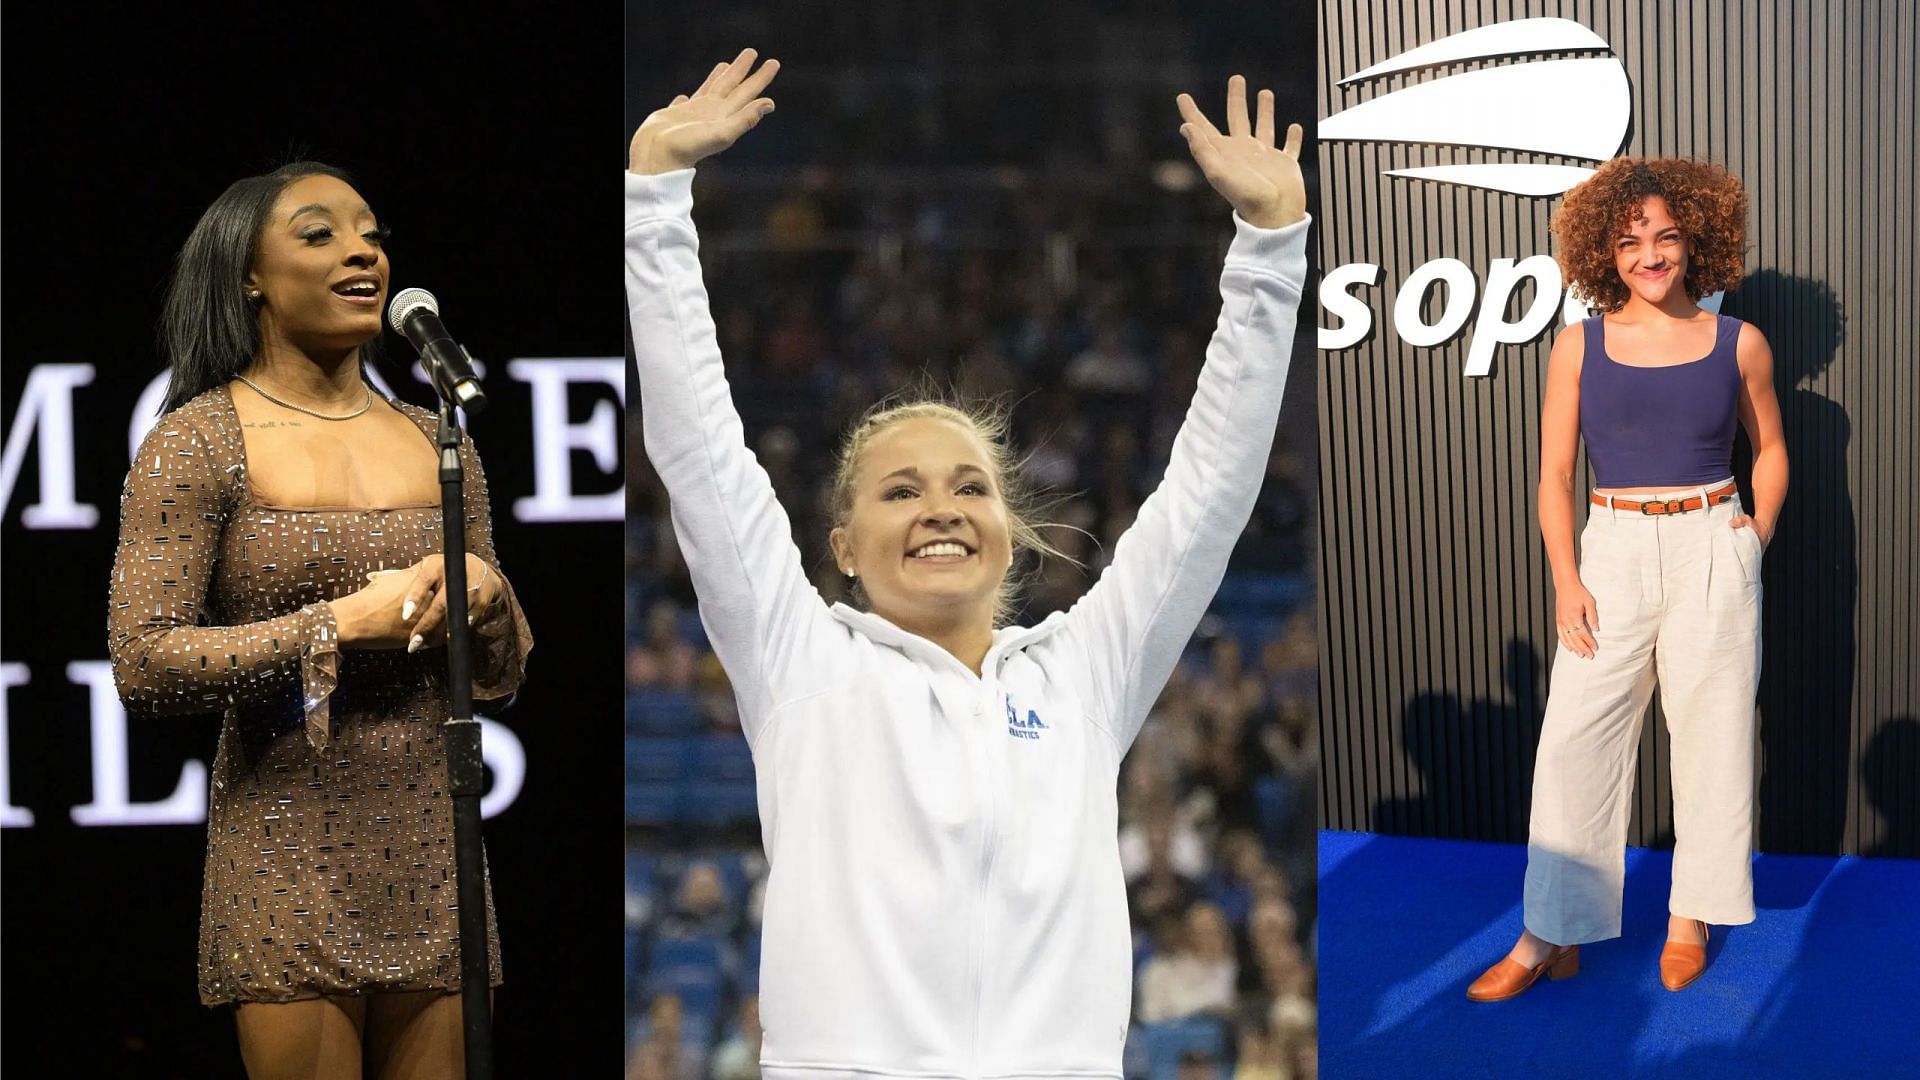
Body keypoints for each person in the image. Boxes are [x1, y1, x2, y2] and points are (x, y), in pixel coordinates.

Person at [628, 48, 1308, 1075]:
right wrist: (654, 199)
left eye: (969, 486)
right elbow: (699, 448)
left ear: (1009, 527)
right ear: (843, 548)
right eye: (900, 491)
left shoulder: (1085, 673)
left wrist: (1268, 251)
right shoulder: (800, 662)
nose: (940, 508)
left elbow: (1209, 493)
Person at [108, 161, 533, 1077]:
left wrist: (489, 597)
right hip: (288, 849)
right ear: (249, 276)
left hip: (434, 847)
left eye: (372, 235)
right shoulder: (196, 440)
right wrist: (334, 625)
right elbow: (144, 664)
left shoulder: (436, 437)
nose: (362, 253)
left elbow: (501, 673)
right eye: (320, 234)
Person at [1467, 157, 1786, 1001]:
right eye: (1631, 239)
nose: (1651, 254)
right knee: (1574, 742)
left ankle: (1692, 917)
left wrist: (1755, 533)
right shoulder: (1579, 345)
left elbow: (1773, 449)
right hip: (1609, 549)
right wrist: (1567, 579)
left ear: (1696, 242)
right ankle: (1549, 933)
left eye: (1667, 236)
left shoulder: (1738, 341)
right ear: (1603, 252)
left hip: (1711, 544)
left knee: (1714, 738)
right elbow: (1553, 475)